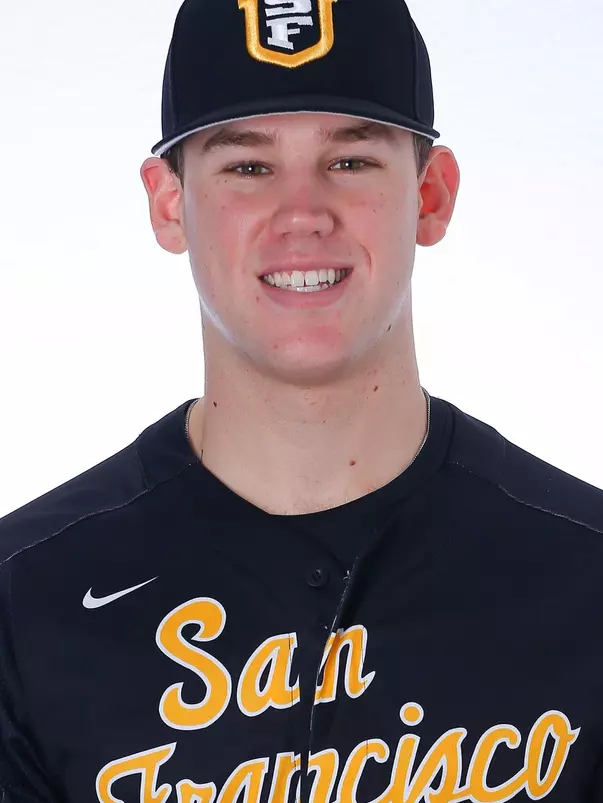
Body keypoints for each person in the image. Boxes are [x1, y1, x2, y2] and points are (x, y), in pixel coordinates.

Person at [1, 0, 603, 801]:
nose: (302, 215)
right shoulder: (25, 601)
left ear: (430, 195)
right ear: (169, 203)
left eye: (348, 161)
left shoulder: (585, 578)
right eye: (247, 167)